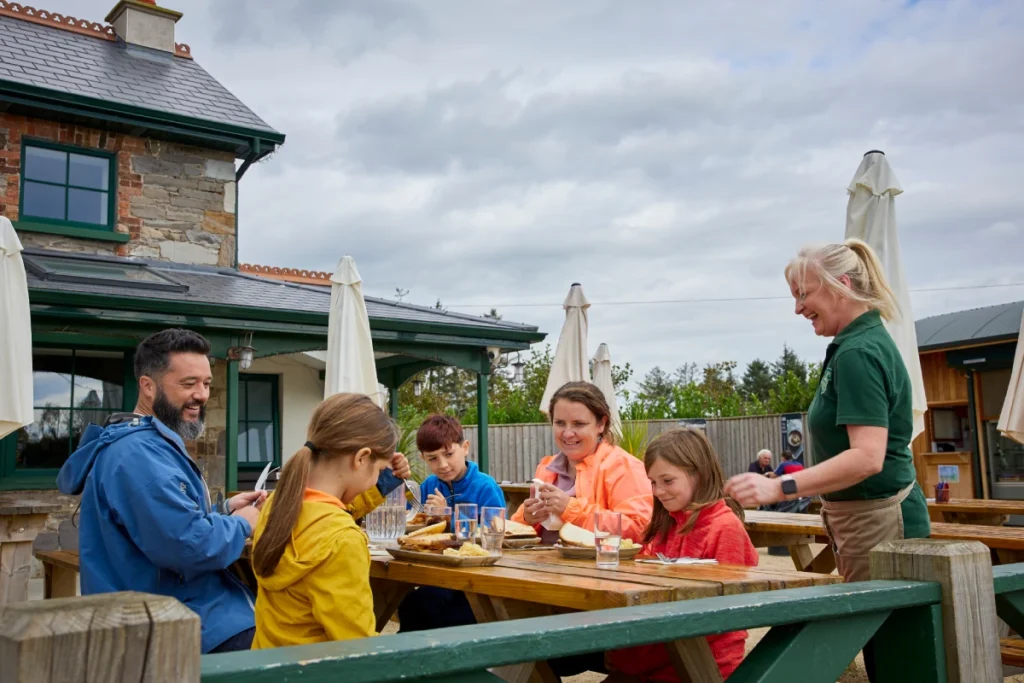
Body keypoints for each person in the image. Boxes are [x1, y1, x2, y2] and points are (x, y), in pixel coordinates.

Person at [724, 239, 929, 680]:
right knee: (886, 652)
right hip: (867, 519)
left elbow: (867, 458)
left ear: (843, 285)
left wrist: (779, 487)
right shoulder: (856, 344)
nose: (798, 308)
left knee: (896, 657)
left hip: (881, 522)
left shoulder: (857, 352)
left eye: (804, 294)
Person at [57, 329, 265, 653]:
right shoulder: (138, 456)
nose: (201, 395)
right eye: (188, 383)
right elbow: (187, 547)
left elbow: (161, 527)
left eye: (206, 383)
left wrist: (222, 511)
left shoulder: (147, 444)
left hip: (182, 614)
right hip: (174, 628)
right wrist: (244, 522)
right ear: (148, 386)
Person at [512, 381, 653, 679]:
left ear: (602, 423)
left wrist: (571, 509)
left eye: (579, 423)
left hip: (597, 603)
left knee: (504, 642)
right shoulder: (547, 468)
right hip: (544, 590)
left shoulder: (624, 467)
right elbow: (516, 531)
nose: (567, 433)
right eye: (560, 423)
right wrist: (527, 517)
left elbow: (638, 532)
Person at [607, 428, 758, 681]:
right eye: (653, 482)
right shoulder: (667, 524)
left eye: (667, 481)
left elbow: (723, 615)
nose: (658, 491)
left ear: (698, 474)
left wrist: (638, 653)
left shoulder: (725, 528)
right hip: (661, 656)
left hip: (702, 665)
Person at [251, 393, 398, 648]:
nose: (377, 479)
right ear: (362, 458)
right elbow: (358, 646)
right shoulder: (343, 541)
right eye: (380, 471)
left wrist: (383, 484)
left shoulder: (276, 507)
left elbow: (328, 510)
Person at [397, 414, 505, 632]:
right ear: (423, 458)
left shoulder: (485, 486)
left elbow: (497, 534)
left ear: (465, 447)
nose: (443, 465)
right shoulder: (428, 485)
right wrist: (427, 518)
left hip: (476, 582)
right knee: (410, 604)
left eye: (448, 454)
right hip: (437, 576)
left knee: (427, 607)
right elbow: (414, 524)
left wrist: (447, 518)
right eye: (433, 459)